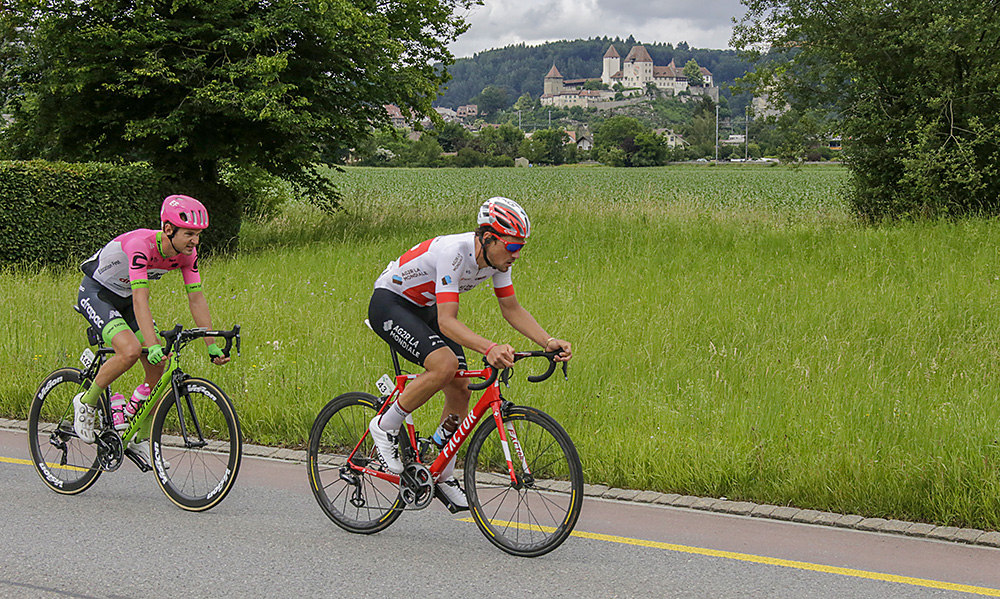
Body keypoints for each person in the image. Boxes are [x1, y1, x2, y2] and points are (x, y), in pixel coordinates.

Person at [367, 196, 572, 510]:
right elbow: (447, 321)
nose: (516, 255)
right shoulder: (455, 253)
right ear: (489, 238)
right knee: (444, 365)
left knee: (461, 388)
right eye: (513, 246)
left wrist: (548, 341)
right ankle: (385, 425)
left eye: (521, 247)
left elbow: (512, 309)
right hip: (390, 303)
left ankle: (443, 473)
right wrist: (489, 347)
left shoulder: (496, 261)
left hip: (424, 308)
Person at [73, 195, 230, 463]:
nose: (195, 241)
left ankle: (139, 438)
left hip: (126, 301)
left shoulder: (186, 255)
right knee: (131, 350)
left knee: (159, 367)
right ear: (168, 229)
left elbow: (196, 298)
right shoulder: (140, 246)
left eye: (198, 235)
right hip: (98, 293)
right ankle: (86, 401)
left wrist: (211, 343)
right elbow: (140, 298)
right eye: (189, 234)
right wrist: (152, 343)